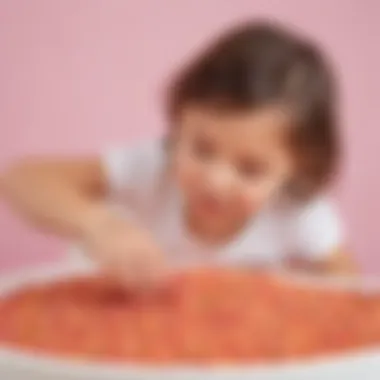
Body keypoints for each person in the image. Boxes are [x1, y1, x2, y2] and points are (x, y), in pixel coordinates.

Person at [1, 21, 354, 288]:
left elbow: (349, 294)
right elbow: (22, 180)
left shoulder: (299, 211)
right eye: (201, 149)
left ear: (296, 170)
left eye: (250, 170)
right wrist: (101, 226)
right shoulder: (152, 168)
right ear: (179, 121)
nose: (215, 180)